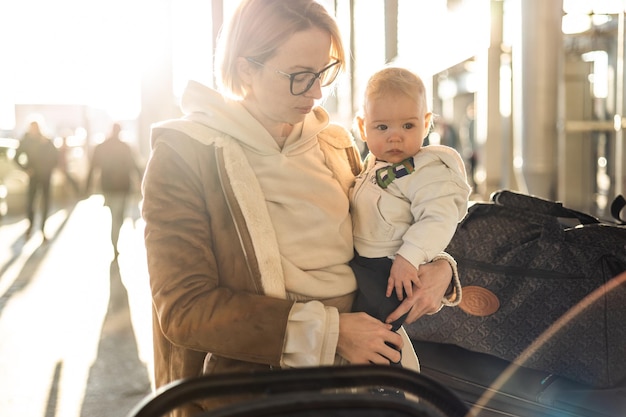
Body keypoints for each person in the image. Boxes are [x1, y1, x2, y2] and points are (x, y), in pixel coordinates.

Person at [141, 1, 460, 414]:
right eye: (299, 77)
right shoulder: (186, 155)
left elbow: (388, 222)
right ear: (245, 70)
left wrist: (439, 268)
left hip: (367, 375)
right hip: (251, 392)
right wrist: (332, 333)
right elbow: (186, 309)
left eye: (323, 72)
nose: (316, 93)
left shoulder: (335, 142)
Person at [349, 67, 470, 351]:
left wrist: (410, 257)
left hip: (392, 267)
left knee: (377, 332)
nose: (395, 137)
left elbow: (438, 218)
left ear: (426, 123)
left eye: (408, 126)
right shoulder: (371, 166)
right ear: (362, 126)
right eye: (382, 127)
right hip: (363, 262)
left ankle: (381, 382)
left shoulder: (426, 171)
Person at [85, 123, 142, 257]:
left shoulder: (102, 147)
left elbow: (93, 167)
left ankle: (114, 243)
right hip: (122, 186)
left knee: (114, 216)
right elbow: (133, 164)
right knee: (119, 217)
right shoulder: (125, 147)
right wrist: (140, 180)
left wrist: (87, 186)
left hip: (108, 186)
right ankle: (115, 243)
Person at [14, 120, 59, 238]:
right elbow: (16, 156)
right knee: (30, 202)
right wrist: (26, 168)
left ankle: (42, 228)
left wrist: (49, 168)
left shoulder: (46, 140)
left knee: (45, 202)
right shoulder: (26, 140)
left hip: (45, 176)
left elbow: (56, 157)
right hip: (33, 176)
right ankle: (31, 225)